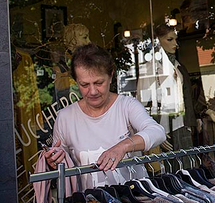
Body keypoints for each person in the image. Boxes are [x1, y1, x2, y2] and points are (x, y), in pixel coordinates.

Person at [44, 44, 166, 188]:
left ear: (111, 76)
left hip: (135, 200)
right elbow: (60, 161)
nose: (93, 91)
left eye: (99, 82)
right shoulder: (65, 117)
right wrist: (54, 160)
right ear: (76, 81)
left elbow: (158, 132)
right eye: (84, 85)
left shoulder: (126, 105)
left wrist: (123, 146)